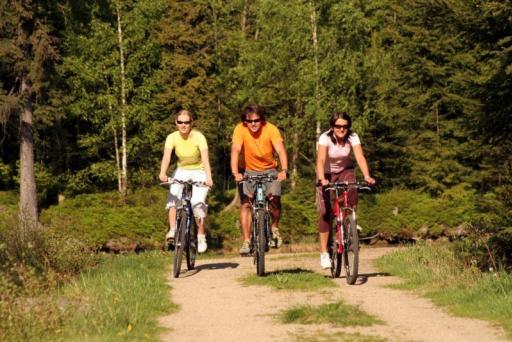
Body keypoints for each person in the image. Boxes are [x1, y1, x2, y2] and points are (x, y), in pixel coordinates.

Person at [316, 112, 376, 269]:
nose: (341, 129)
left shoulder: (353, 137)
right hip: (327, 173)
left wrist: (367, 176)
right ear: (332, 127)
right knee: (325, 213)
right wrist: (322, 179)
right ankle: (324, 252)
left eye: (345, 126)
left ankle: (349, 221)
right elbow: (321, 160)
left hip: (345, 170)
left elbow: (360, 157)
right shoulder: (325, 138)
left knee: (352, 186)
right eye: (338, 126)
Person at [231, 104, 288, 255]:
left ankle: (274, 228)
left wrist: (284, 170)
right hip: (247, 170)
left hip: (270, 169)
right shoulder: (239, 129)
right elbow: (236, 150)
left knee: (275, 199)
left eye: (257, 120)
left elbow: (280, 149)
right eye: (250, 121)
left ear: (262, 120)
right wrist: (235, 172)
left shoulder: (271, 129)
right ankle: (246, 241)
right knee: (246, 204)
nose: (253, 124)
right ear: (245, 122)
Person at [159, 110, 213, 253]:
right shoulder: (172, 137)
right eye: (180, 122)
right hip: (182, 170)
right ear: (176, 123)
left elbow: (206, 159)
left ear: (191, 123)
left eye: (186, 122)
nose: (183, 125)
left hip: (199, 171)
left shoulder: (199, 137)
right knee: (173, 196)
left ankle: (201, 236)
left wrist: (209, 178)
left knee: (197, 202)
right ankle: (172, 230)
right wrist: (162, 173)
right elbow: (166, 157)